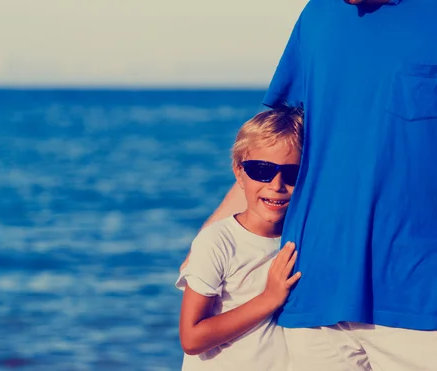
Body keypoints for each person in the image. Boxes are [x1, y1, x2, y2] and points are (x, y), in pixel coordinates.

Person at [185, 0, 437, 369]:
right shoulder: (318, 16)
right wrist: (209, 236)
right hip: (310, 293)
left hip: (418, 300)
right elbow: (279, 149)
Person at [177, 107, 303, 371]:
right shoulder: (218, 241)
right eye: (261, 170)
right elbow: (191, 338)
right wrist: (269, 298)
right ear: (239, 172)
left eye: (292, 174)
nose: (277, 185)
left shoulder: (300, 238)